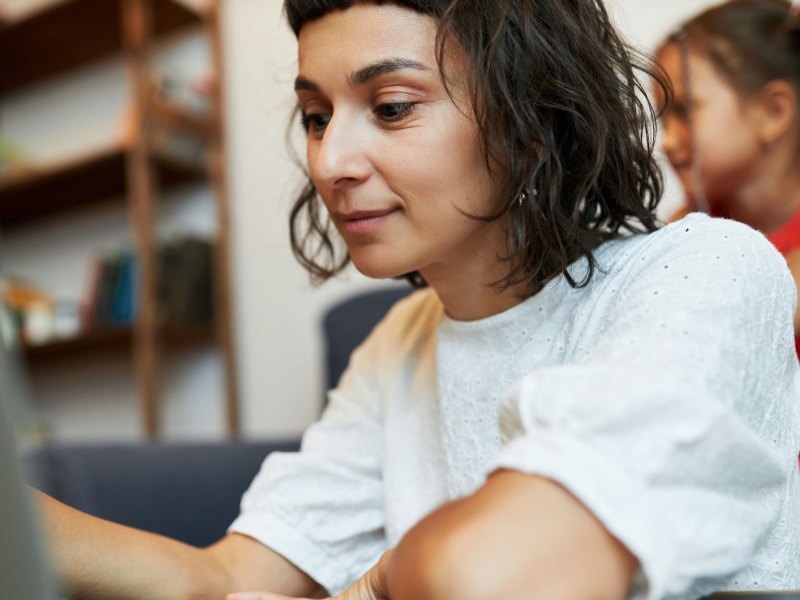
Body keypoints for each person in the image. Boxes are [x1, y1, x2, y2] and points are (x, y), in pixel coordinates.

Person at [36, 1, 800, 600]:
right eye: (316, 116)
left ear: (530, 122)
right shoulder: (400, 342)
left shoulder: (707, 269)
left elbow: (498, 578)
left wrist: (377, 582)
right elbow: (221, 579)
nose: (330, 161)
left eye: (393, 107)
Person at [656, 0, 800, 351]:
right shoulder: (691, 226)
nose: (667, 141)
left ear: (773, 112)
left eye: (684, 110)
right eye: (663, 119)